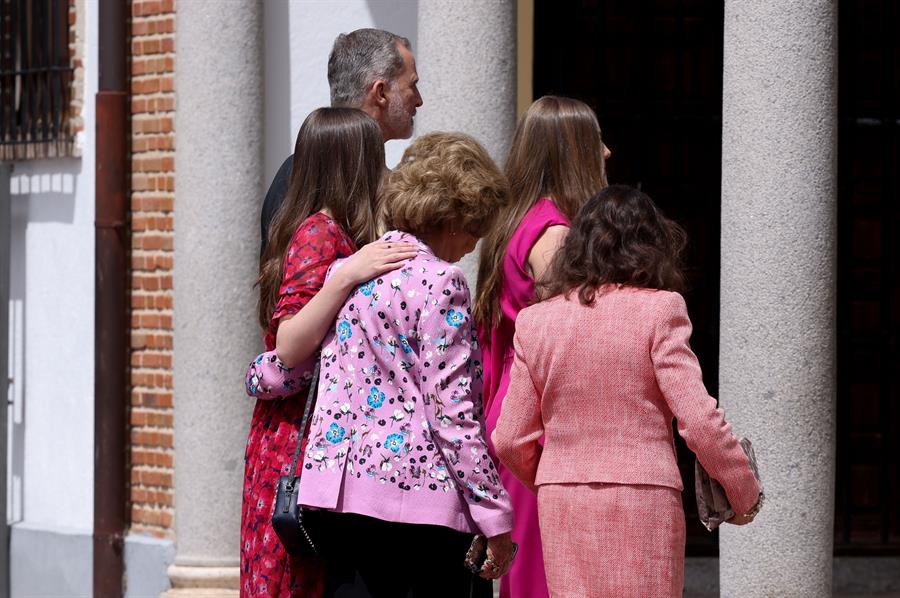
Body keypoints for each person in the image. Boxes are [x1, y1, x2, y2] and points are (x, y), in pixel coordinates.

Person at [492, 185, 763, 598]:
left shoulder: (536, 322)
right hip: (644, 497)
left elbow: (510, 438)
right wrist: (743, 493)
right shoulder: (661, 309)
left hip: (563, 500)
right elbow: (700, 421)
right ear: (651, 246)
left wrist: (554, 476)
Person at [296, 132, 515, 598]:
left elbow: (294, 365)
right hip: (416, 510)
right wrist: (494, 514)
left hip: (338, 499)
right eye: (475, 228)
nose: (475, 244)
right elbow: (452, 413)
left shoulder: (352, 270)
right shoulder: (442, 282)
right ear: (454, 216)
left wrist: (260, 374)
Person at [241, 107, 418, 597]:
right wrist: (346, 275)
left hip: (307, 434)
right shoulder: (319, 232)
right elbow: (289, 343)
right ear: (352, 164)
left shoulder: (333, 228)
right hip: (294, 440)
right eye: (374, 157)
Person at [472, 95, 611, 598]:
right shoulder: (553, 234)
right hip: (538, 424)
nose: (608, 153)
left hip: (519, 412)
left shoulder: (519, 220)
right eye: (595, 142)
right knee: (544, 582)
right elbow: (570, 339)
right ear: (572, 152)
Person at [260, 28, 423, 254]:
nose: (419, 100)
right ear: (381, 93)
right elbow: (291, 282)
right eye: (412, 85)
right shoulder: (304, 174)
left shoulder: (301, 169)